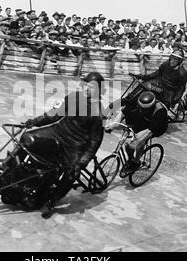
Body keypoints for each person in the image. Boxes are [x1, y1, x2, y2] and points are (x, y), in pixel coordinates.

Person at [21, 72, 106, 218]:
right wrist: (34, 122)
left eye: (91, 87)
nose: (86, 89)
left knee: (72, 173)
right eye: (85, 85)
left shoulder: (98, 113)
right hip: (58, 131)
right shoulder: (73, 96)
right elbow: (54, 114)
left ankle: (51, 200)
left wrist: (82, 161)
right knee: (26, 138)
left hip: (75, 145)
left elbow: (94, 142)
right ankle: (12, 168)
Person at [106, 91, 168, 177]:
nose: (142, 109)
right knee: (129, 130)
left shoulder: (160, 111)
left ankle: (135, 162)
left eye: (145, 109)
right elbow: (123, 112)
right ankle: (131, 157)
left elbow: (149, 131)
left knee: (134, 144)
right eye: (141, 107)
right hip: (143, 119)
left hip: (156, 126)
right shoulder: (138, 100)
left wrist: (136, 141)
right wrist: (114, 125)